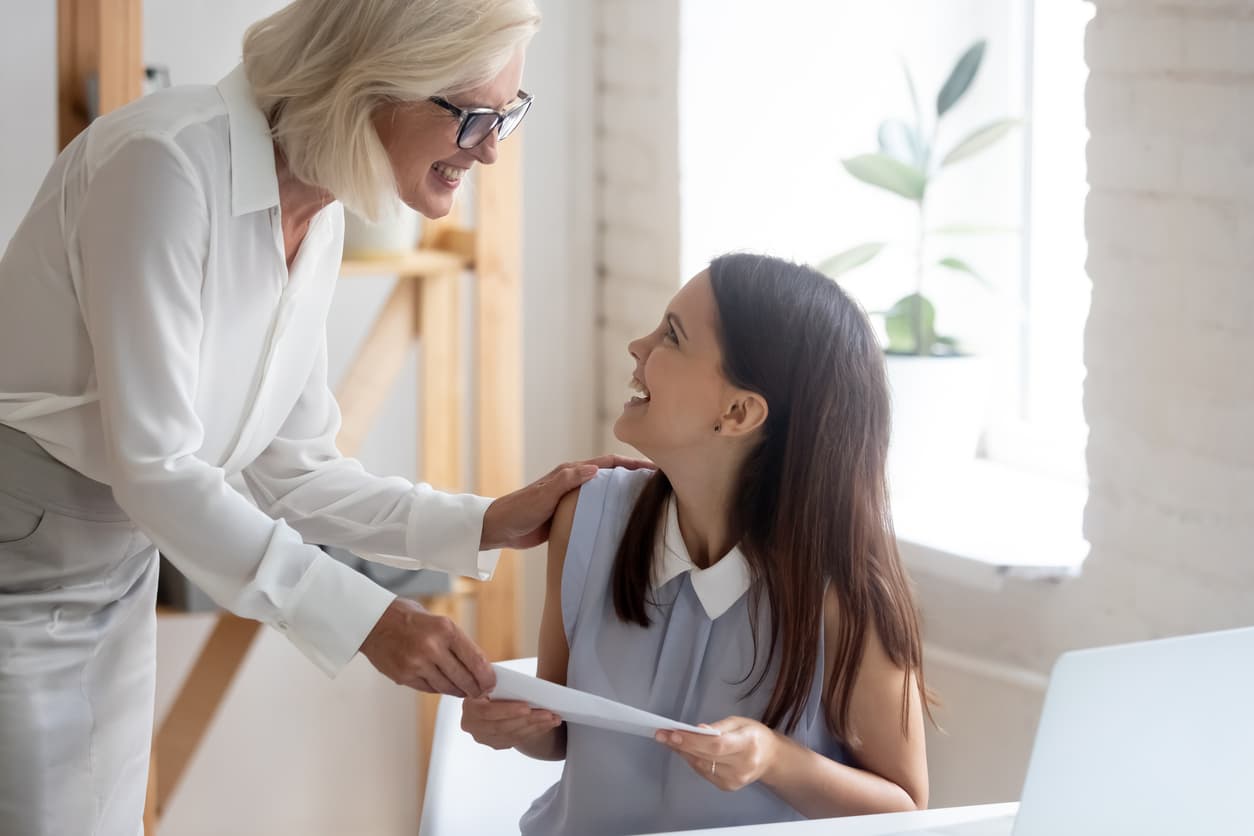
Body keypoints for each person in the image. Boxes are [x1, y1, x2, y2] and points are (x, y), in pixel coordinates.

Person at [0, 1, 644, 834]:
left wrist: (485, 521)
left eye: (509, 116)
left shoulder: (320, 209)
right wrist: (370, 620)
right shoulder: (162, 165)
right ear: (375, 84)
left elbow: (292, 467)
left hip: (116, 566)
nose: (491, 148)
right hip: (20, 565)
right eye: (478, 116)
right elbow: (159, 472)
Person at [461, 253, 933, 834]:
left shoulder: (848, 588)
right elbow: (558, 736)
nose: (638, 346)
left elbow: (906, 811)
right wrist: (517, 728)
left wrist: (776, 759)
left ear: (738, 411)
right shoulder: (585, 515)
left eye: (672, 337)